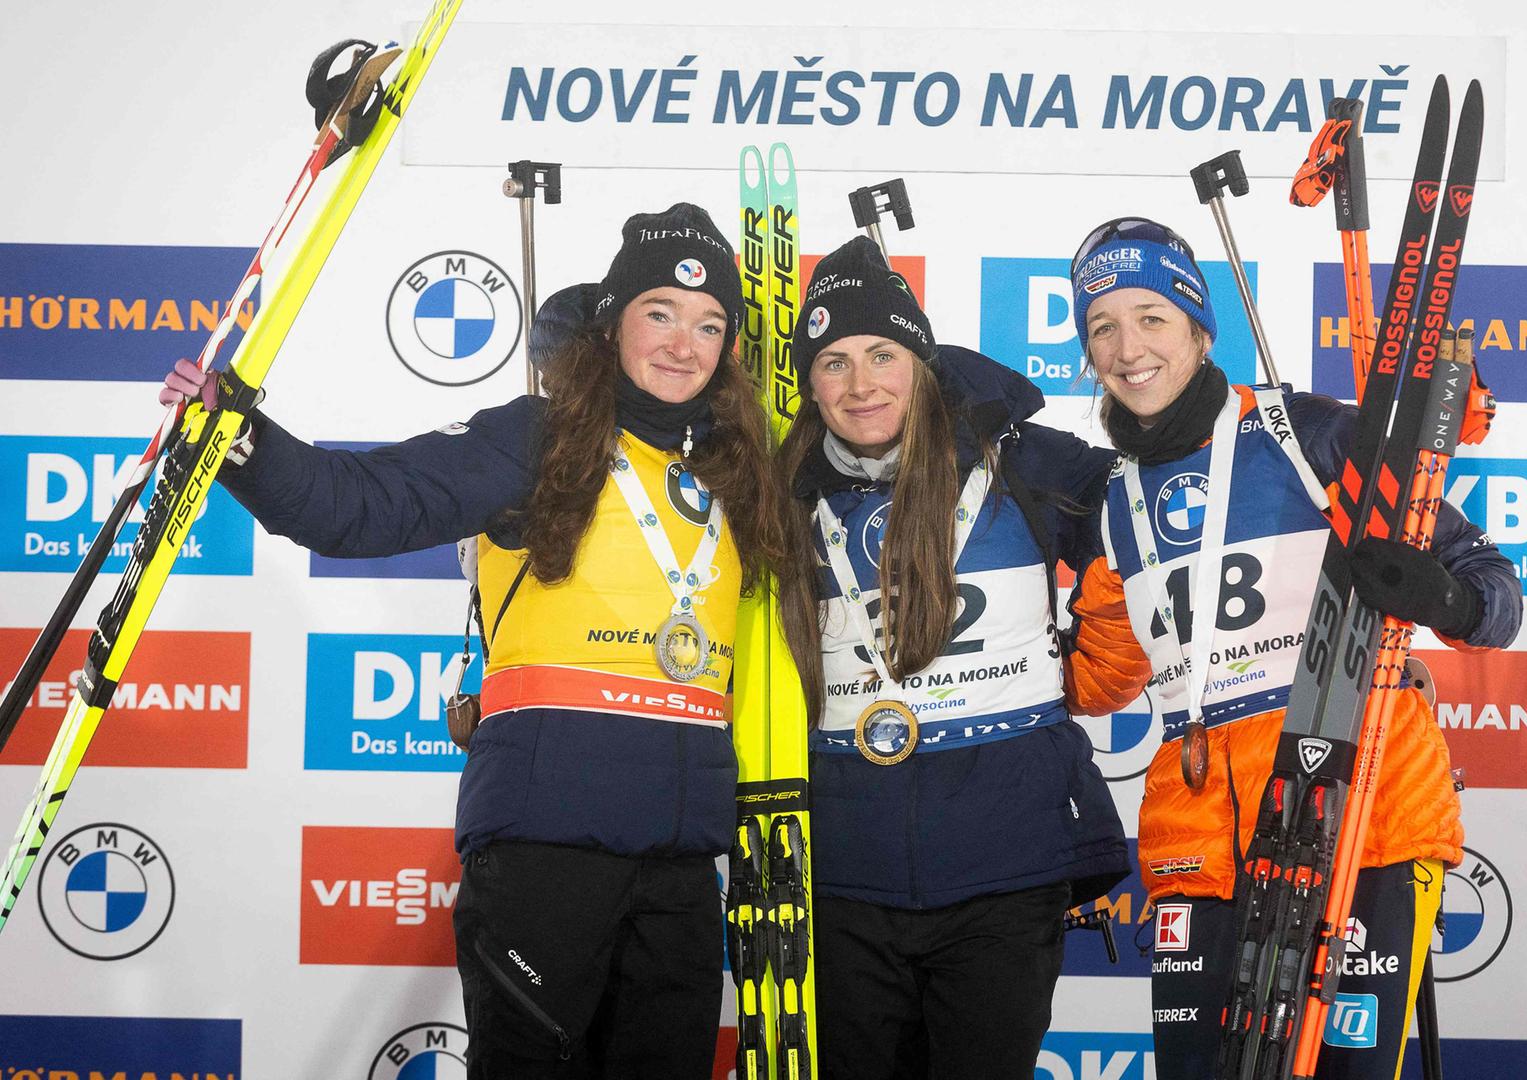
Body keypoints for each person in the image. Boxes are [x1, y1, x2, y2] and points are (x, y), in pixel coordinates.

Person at [160, 204, 789, 1078]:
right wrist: (241, 439)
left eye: (709, 324)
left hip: (680, 868)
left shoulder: (738, 474)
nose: (684, 343)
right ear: (611, 326)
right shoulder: (538, 439)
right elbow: (360, 504)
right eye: (661, 313)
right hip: (545, 852)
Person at [1059, 218, 1523, 1080]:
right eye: (1102, 326)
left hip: (1364, 811)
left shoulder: (1307, 437)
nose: (1128, 347)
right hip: (1200, 831)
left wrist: (1441, 596)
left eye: (1151, 317)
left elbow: (1491, 593)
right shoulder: (1114, 502)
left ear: (1201, 329)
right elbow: (1096, 679)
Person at [770, 236, 1129, 1079]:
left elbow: (1160, 522)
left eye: (882, 354)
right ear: (809, 382)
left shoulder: (1022, 458)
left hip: (1003, 863)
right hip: (843, 871)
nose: (861, 386)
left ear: (920, 362)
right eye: (834, 363)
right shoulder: (778, 489)